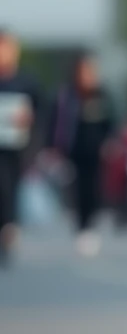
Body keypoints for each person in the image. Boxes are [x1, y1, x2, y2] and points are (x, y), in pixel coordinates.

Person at [50, 52, 118, 256]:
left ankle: (91, 226)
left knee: (95, 190)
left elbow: (111, 123)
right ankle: (81, 228)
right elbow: (56, 124)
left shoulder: (102, 95)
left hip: (97, 153)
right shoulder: (67, 96)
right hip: (73, 152)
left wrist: (111, 141)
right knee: (78, 192)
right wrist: (53, 148)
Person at [0, 28, 46, 266]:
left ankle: (9, 230)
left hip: (17, 147)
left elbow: (41, 110)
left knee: (10, 189)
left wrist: (29, 119)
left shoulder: (26, 81)